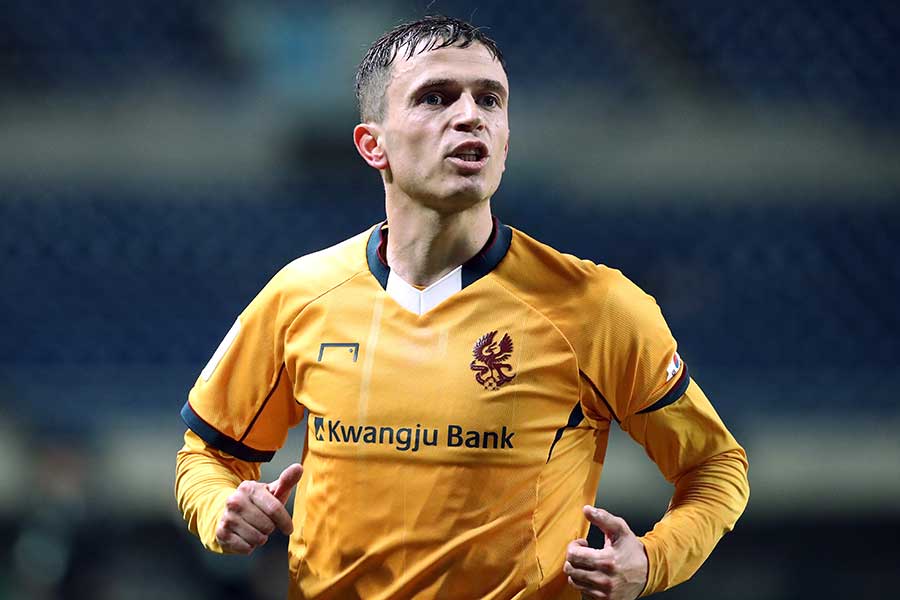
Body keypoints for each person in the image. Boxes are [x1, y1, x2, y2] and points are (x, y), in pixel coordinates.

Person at [175, 15, 749, 600]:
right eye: (436, 97)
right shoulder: (300, 296)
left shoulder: (595, 307)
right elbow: (208, 456)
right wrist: (221, 508)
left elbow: (716, 466)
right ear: (373, 145)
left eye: (489, 99)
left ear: (505, 142)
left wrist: (651, 561)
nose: (471, 115)